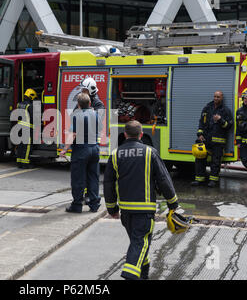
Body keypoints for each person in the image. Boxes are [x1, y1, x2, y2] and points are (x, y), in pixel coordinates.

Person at [104, 120, 179, 280]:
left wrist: (112, 208)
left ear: (125, 134)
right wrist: (173, 202)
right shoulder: (150, 152)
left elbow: (109, 183)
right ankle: (130, 273)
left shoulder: (115, 154)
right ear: (141, 135)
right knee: (141, 242)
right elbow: (163, 179)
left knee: (138, 243)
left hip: (126, 212)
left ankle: (143, 276)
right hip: (144, 211)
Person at [60, 93, 101, 213]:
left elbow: (73, 134)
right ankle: (94, 204)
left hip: (81, 150)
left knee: (78, 178)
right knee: (93, 177)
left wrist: (64, 149)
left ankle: (77, 205)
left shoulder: (77, 115)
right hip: (94, 149)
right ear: (89, 103)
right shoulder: (96, 114)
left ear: (78, 104)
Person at [191, 91, 233, 188]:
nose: (216, 98)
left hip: (218, 141)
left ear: (222, 98)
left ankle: (213, 180)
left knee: (215, 162)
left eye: (218, 97)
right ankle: (199, 179)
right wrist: (200, 134)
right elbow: (201, 122)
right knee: (199, 159)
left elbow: (229, 126)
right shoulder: (207, 108)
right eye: (215, 96)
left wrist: (220, 120)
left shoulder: (225, 111)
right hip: (205, 139)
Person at [16, 88, 38, 169]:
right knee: (27, 146)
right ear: (31, 96)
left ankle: (19, 162)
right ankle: (25, 163)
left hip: (19, 128)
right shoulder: (30, 106)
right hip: (27, 128)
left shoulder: (19, 104)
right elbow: (34, 118)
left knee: (20, 145)